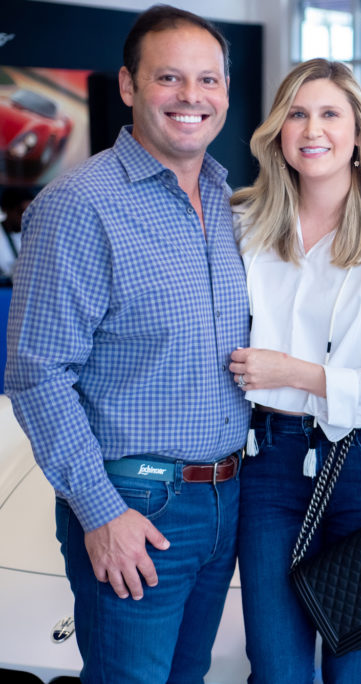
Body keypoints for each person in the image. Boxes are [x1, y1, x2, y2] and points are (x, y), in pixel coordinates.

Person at [5, 7, 246, 682]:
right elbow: (38, 373)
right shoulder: (80, 205)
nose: (191, 96)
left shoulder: (231, 202)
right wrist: (101, 511)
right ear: (129, 86)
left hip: (226, 498)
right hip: (135, 502)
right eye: (169, 77)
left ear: (226, 91)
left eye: (207, 79)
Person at [228, 58, 361, 683]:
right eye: (296, 113)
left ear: (358, 133)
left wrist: (297, 372)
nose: (311, 128)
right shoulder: (246, 224)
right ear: (277, 131)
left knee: (353, 664)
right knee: (275, 664)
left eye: (328, 114)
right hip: (269, 463)